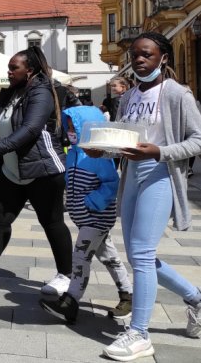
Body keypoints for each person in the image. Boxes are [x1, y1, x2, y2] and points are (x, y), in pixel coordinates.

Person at [89, 32, 201, 361]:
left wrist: (160, 152)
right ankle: (195, 298)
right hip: (132, 179)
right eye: (135, 55)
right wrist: (103, 150)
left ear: (162, 58)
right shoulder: (128, 96)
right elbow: (123, 137)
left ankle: (140, 333)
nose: (139, 59)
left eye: (147, 54)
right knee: (142, 258)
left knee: (141, 254)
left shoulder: (178, 94)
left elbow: (198, 140)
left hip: (161, 176)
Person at [0, 46, 72, 297]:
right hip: (13, 169)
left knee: (51, 222)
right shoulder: (10, 93)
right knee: (0, 219)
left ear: (30, 69)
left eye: (13, 68)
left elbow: (29, 130)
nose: (8, 72)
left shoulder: (42, 92)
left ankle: (66, 276)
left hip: (43, 169)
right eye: (8, 68)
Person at [39, 106, 132, 324]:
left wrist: (90, 202)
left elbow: (112, 184)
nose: (70, 131)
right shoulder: (73, 153)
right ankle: (127, 295)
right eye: (69, 127)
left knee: (80, 258)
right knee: (110, 258)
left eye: (74, 127)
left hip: (96, 218)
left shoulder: (98, 155)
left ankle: (70, 303)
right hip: (85, 219)